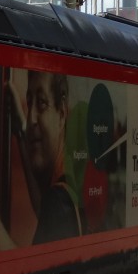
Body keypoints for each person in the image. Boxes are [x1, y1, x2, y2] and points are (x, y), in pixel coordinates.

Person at [22, 70, 81, 244]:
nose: (30, 119)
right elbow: (43, 211)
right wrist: (19, 132)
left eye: (41, 103)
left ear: (61, 114)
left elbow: (31, 265)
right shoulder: (69, 178)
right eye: (29, 103)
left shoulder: (58, 200)